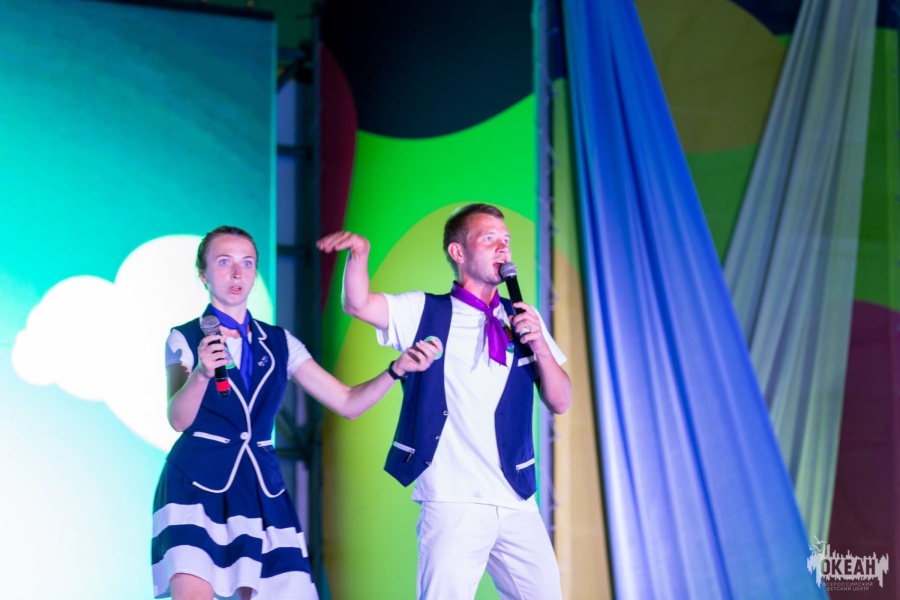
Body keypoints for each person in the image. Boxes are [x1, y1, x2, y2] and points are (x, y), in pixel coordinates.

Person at [151, 225, 441, 600]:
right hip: (195, 484)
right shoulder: (185, 337)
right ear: (203, 274)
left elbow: (348, 402)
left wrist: (396, 370)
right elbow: (178, 419)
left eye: (247, 263)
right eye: (224, 262)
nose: (237, 273)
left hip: (260, 487)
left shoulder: (280, 342)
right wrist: (204, 374)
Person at [317, 203, 572, 600]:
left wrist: (539, 344)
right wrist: (360, 255)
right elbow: (358, 304)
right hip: (452, 497)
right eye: (489, 239)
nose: (503, 248)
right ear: (458, 252)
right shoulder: (425, 310)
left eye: (506, 240)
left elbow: (561, 400)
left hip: (515, 496)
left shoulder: (522, 318)